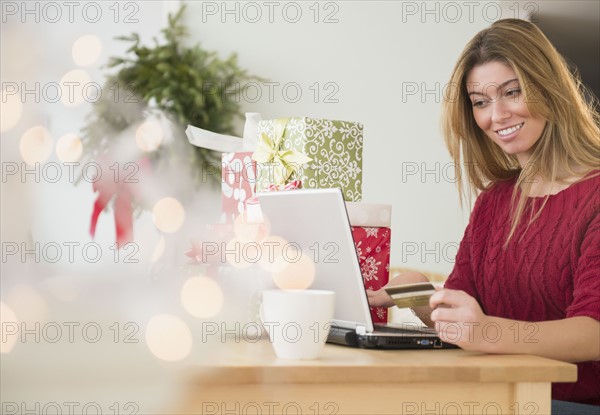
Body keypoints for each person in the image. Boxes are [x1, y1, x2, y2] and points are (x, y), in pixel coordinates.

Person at [368, 18, 599, 413]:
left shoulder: (594, 195)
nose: (497, 115)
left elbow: (592, 334)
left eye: (513, 92)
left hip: (566, 403)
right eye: (480, 102)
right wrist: (419, 295)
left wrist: (487, 331)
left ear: (550, 87)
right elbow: (466, 315)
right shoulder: (495, 200)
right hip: (493, 396)